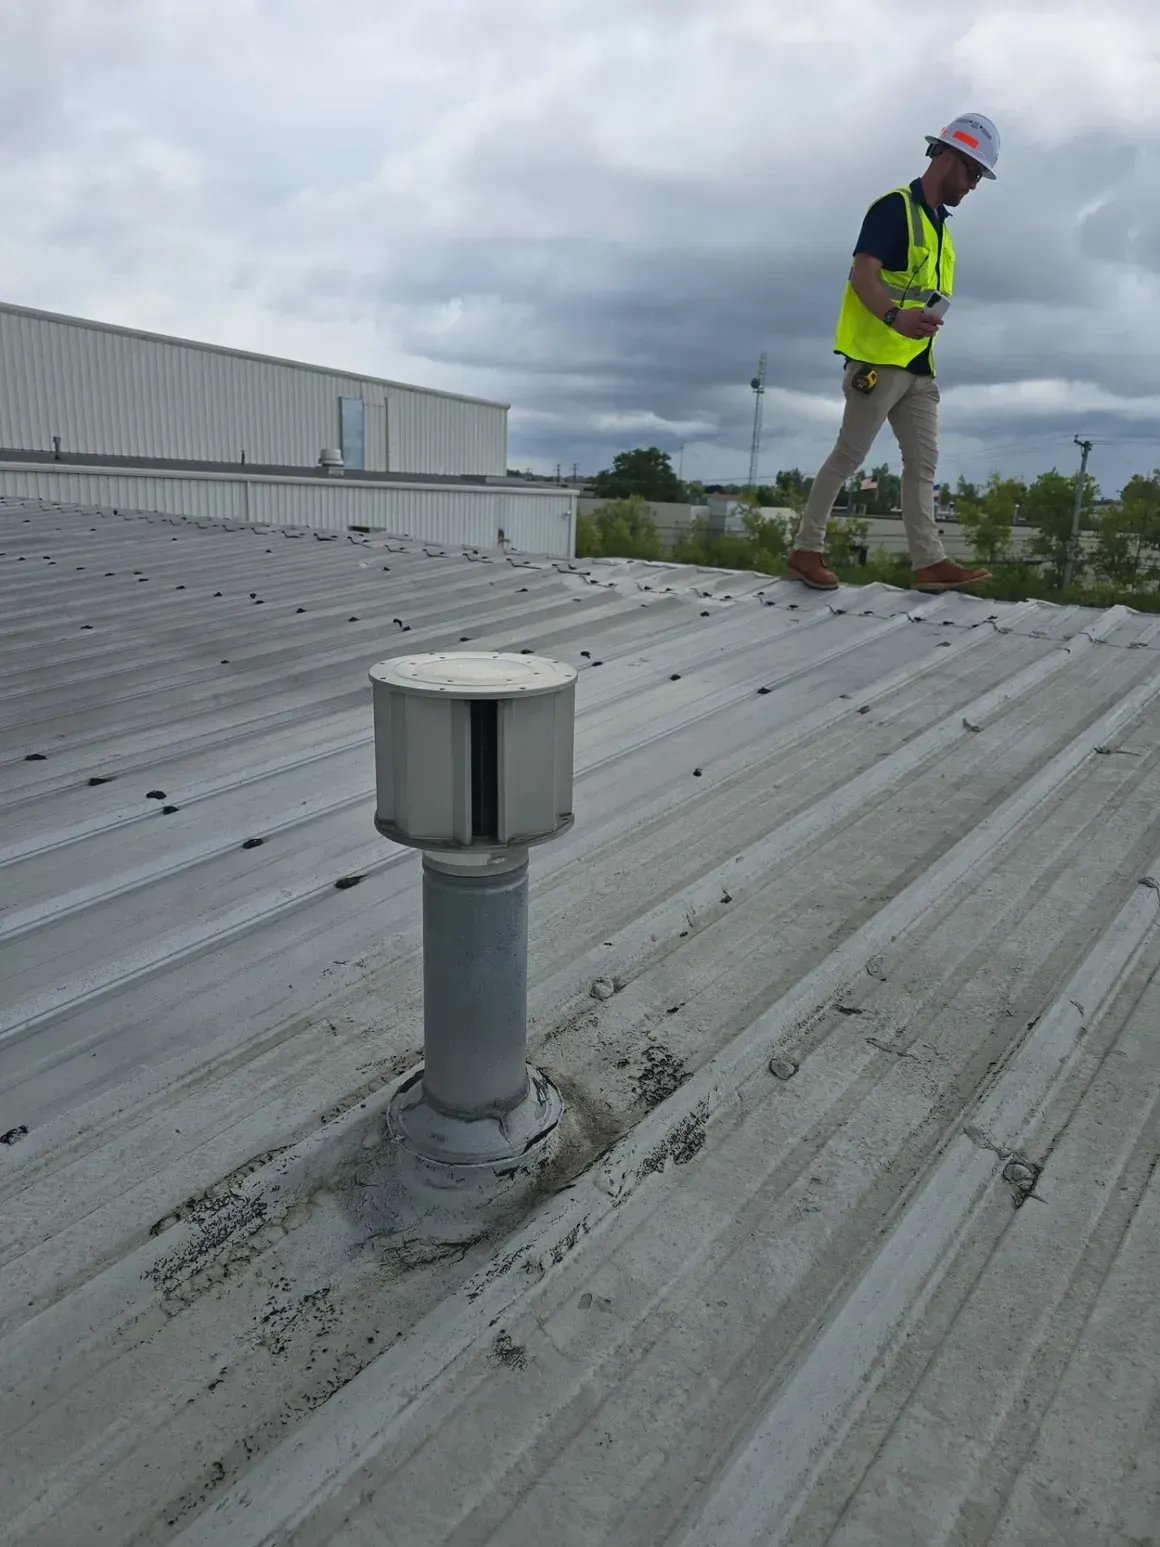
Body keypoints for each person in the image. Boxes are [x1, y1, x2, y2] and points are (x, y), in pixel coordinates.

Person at [786, 114, 1000, 594]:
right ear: (947, 159)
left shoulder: (940, 226)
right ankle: (806, 549)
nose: (973, 186)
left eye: (979, 177)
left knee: (923, 464)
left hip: (918, 366)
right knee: (849, 455)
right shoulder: (894, 209)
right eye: (971, 174)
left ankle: (929, 561)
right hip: (878, 361)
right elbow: (863, 276)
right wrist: (894, 318)